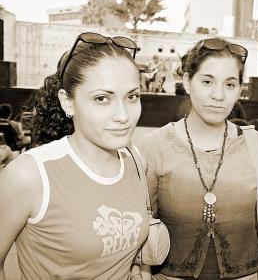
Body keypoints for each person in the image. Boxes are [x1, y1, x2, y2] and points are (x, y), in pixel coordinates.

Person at [0, 32, 150, 279]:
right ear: (68, 102)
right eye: (102, 98)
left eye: (132, 97)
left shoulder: (135, 159)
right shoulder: (30, 175)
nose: (123, 115)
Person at [135, 38, 258, 279]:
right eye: (207, 82)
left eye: (229, 84)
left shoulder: (256, 145)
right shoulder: (154, 146)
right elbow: (144, 231)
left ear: (239, 89)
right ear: (187, 82)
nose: (218, 95)